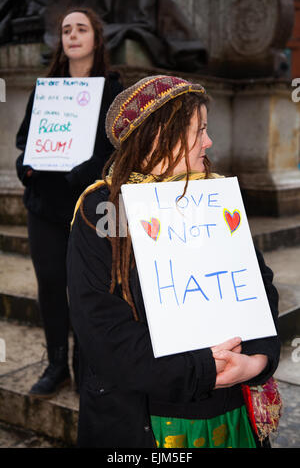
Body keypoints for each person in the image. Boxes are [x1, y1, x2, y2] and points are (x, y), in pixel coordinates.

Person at [67, 75, 280, 448]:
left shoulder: (214, 196)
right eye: (198, 131)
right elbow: (102, 331)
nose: (209, 142)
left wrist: (258, 360)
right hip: (144, 422)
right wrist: (200, 370)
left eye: (207, 130)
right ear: (157, 136)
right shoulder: (103, 210)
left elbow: (260, 288)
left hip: (230, 412)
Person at [15, 7, 123, 398]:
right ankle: (57, 364)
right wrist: (25, 168)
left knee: (89, 289)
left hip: (90, 207)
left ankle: (86, 365)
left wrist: (81, 172)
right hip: (43, 204)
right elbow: (25, 141)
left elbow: (118, 148)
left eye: (81, 29)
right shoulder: (46, 87)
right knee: (50, 286)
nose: (72, 35)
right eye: (66, 30)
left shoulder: (112, 89)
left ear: (96, 38)